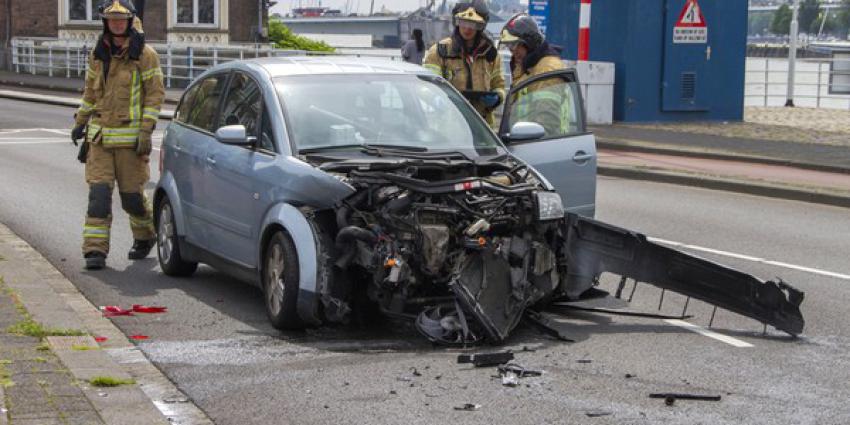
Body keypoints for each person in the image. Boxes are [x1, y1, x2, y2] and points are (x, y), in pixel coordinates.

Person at [70, 0, 165, 270]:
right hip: (100, 140)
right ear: (105, 22)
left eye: (121, 20)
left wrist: (146, 130)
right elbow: (90, 93)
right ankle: (94, 250)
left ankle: (145, 236)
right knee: (98, 196)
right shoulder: (98, 53)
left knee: (132, 198)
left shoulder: (145, 54)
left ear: (130, 21)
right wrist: (80, 122)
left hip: (130, 143)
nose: (116, 24)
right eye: (112, 19)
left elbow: (155, 95)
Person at [423, 0, 505, 128]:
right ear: (456, 22)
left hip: (483, 127)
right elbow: (426, 86)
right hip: (449, 126)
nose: (467, 28)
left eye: (473, 24)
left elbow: (499, 86)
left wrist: (497, 98)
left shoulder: (491, 54)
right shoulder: (440, 51)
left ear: (481, 26)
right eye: (463, 22)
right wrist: (435, 98)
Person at [500, 13, 569, 136]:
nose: (512, 51)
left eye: (514, 45)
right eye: (509, 46)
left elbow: (547, 123)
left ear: (529, 43)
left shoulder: (547, 70)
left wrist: (532, 142)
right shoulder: (528, 67)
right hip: (525, 139)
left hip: (541, 142)